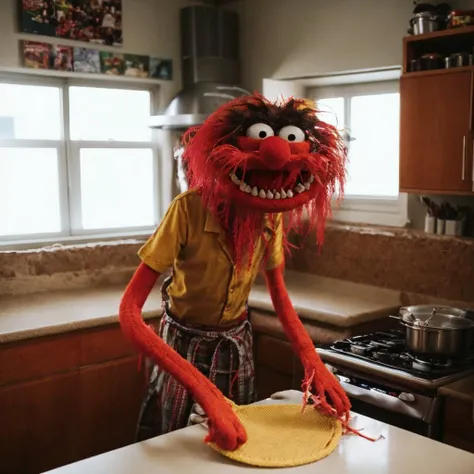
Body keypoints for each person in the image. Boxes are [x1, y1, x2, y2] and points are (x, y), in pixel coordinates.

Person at [119, 93, 351, 451]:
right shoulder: (188, 210)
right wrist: (207, 394)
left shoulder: (269, 213)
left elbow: (279, 296)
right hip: (182, 345)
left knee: (237, 442)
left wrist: (312, 362)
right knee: (176, 444)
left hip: (236, 342)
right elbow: (129, 312)